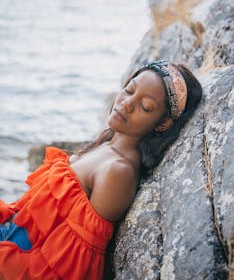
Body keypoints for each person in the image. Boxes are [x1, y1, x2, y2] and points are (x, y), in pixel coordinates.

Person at [0, 60, 202, 280]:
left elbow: (74, 262)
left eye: (145, 106)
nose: (126, 103)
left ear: (162, 123)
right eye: (129, 90)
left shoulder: (119, 171)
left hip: (21, 259)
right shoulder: (106, 142)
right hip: (12, 231)